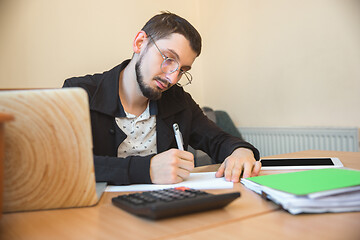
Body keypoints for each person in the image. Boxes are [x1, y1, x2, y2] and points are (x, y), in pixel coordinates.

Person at [63, 11, 261, 185]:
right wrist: (147, 169)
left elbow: (218, 140)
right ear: (140, 43)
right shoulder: (79, 93)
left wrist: (241, 151)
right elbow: (65, 165)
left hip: (162, 214)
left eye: (182, 70)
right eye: (168, 59)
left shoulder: (178, 101)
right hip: (99, 215)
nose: (172, 78)